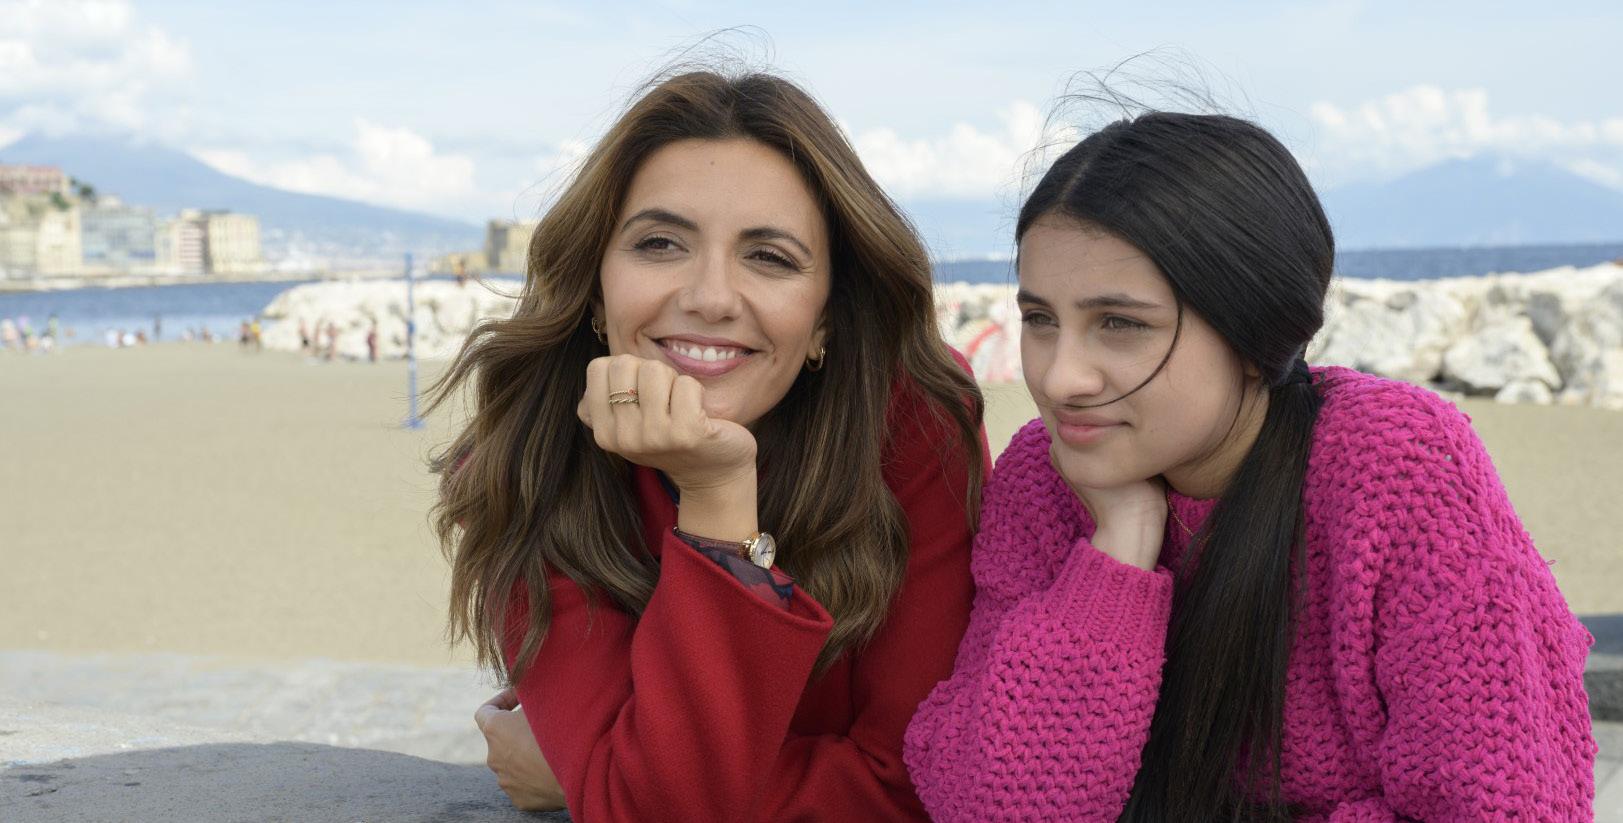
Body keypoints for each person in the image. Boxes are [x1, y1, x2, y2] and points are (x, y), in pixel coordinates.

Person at [903, 111, 1596, 820]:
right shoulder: (1048, 475)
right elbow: (991, 805)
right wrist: (1116, 556)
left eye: (1120, 323)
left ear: (1255, 330)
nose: (1059, 378)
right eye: (1040, 320)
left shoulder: (1393, 465)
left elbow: (1507, 805)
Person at [428, 69, 987, 821]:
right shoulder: (526, 462)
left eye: (770, 257)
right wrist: (717, 500)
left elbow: (910, 783)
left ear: (826, 318)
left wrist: (588, 776)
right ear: (596, 289)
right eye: (660, 244)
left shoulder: (914, 420)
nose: (710, 298)